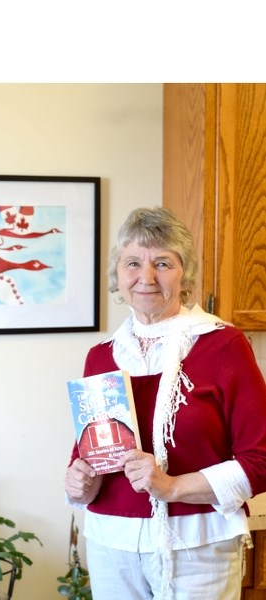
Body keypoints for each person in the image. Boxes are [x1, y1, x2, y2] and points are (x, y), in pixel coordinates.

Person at [65, 207, 266, 600]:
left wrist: (171, 486)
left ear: (184, 273)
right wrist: (79, 481)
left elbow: (260, 460)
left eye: (163, 263)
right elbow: (90, 454)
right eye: (133, 263)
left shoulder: (223, 345)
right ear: (118, 274)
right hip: (111, 547)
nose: (147, 277)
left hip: (198, 548)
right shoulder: (101, 356)